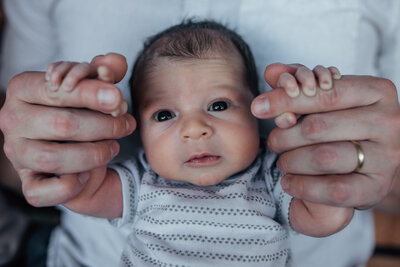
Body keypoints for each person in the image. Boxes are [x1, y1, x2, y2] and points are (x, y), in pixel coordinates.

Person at [0, 0, 399, 266]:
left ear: (256, 107)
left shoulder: (272, 179)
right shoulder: (144, 179)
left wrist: (326, 139)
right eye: (165, 115)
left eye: (219, 106)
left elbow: (325, 216)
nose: (194, 129)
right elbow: (81, 188)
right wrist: (64, 104)